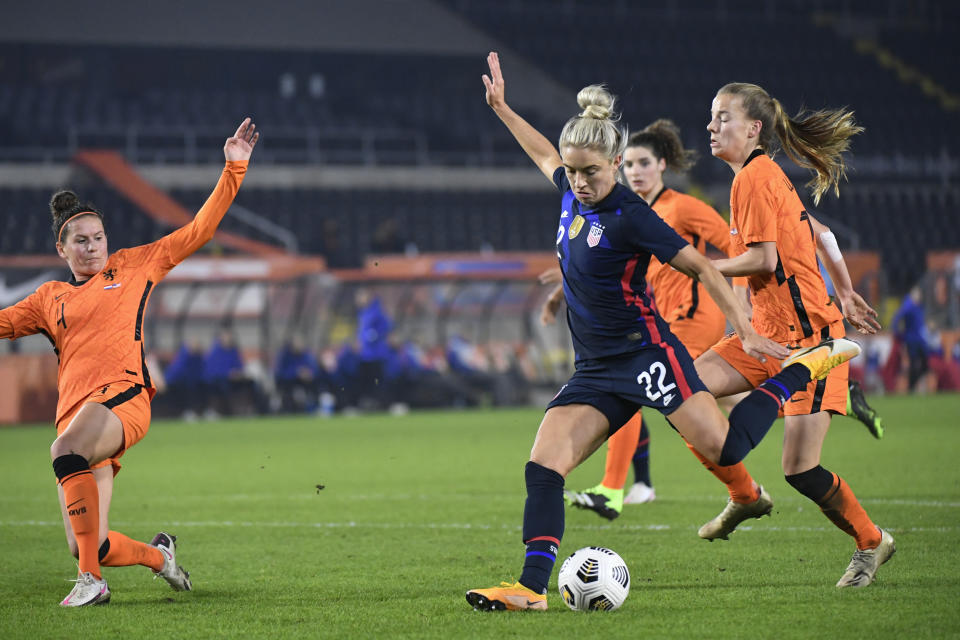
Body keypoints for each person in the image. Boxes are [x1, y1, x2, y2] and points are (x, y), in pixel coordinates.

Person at [465, 52, 858, 612]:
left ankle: (793, 373)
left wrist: (745, 329)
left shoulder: (632, 214)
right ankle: (530, 589)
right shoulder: (571, 188)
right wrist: (502, 108)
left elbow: (700, 265)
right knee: (543, 467)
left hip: (647, 356)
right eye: (572, 172)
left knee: (726, 447)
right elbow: (543, 153)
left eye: (591, 172)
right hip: (597, 370)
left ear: (615, 163)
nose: (578, 182)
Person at [561, 121, 885, 520]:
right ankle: (823, 399)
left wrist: (736, 301)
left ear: (662, 166)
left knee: (659, 397)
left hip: (695, 318)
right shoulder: (623, 213)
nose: (634, 172)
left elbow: (735, 247)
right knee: (692, 404)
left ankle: (621, 489)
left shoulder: (684, 206)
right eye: (629, 165)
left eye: (642, 162)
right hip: (672, 319)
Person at [0, 118, 259, 606]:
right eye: (81, 240)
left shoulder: (135, 265)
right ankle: (160, 558)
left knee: (63, 453)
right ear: (61, 248)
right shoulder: (46, 299)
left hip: (122, 401)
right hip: (79, 418)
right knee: (89, 544)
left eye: (98, 236)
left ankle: (92, 585)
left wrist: (234, 167)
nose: (93, 245)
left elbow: (200, 229)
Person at [696, 82, 893, 587]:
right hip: (763, 337)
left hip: (811, 344)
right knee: (684, 391)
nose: (711, 126)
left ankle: (872, 543)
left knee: (801, 471)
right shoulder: (755, 178)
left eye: (722, 118)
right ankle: (744, 494)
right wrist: (846, 291)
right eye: (712, 117)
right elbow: (819, 232)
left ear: (753, 128)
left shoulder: (755, 178)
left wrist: (700, 265)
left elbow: (763, 259)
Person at [891, 286, 930, 391]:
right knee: (913, 364)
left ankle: (912, 385)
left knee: (925, 365)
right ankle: (911, 387)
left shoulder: (919, 306)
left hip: (920, 341)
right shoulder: (908, 306)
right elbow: (897, 319)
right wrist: (899, 334)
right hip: (911, 341)